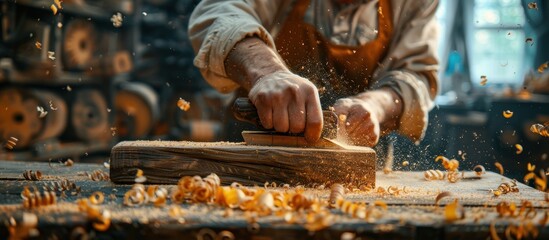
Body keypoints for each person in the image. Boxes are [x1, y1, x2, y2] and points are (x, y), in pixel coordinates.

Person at [189, 0, 439, 147]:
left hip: (357, 170)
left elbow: (417, 73)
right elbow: (218, 12)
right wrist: (267, 72)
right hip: (255, 151)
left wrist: (375, 105)